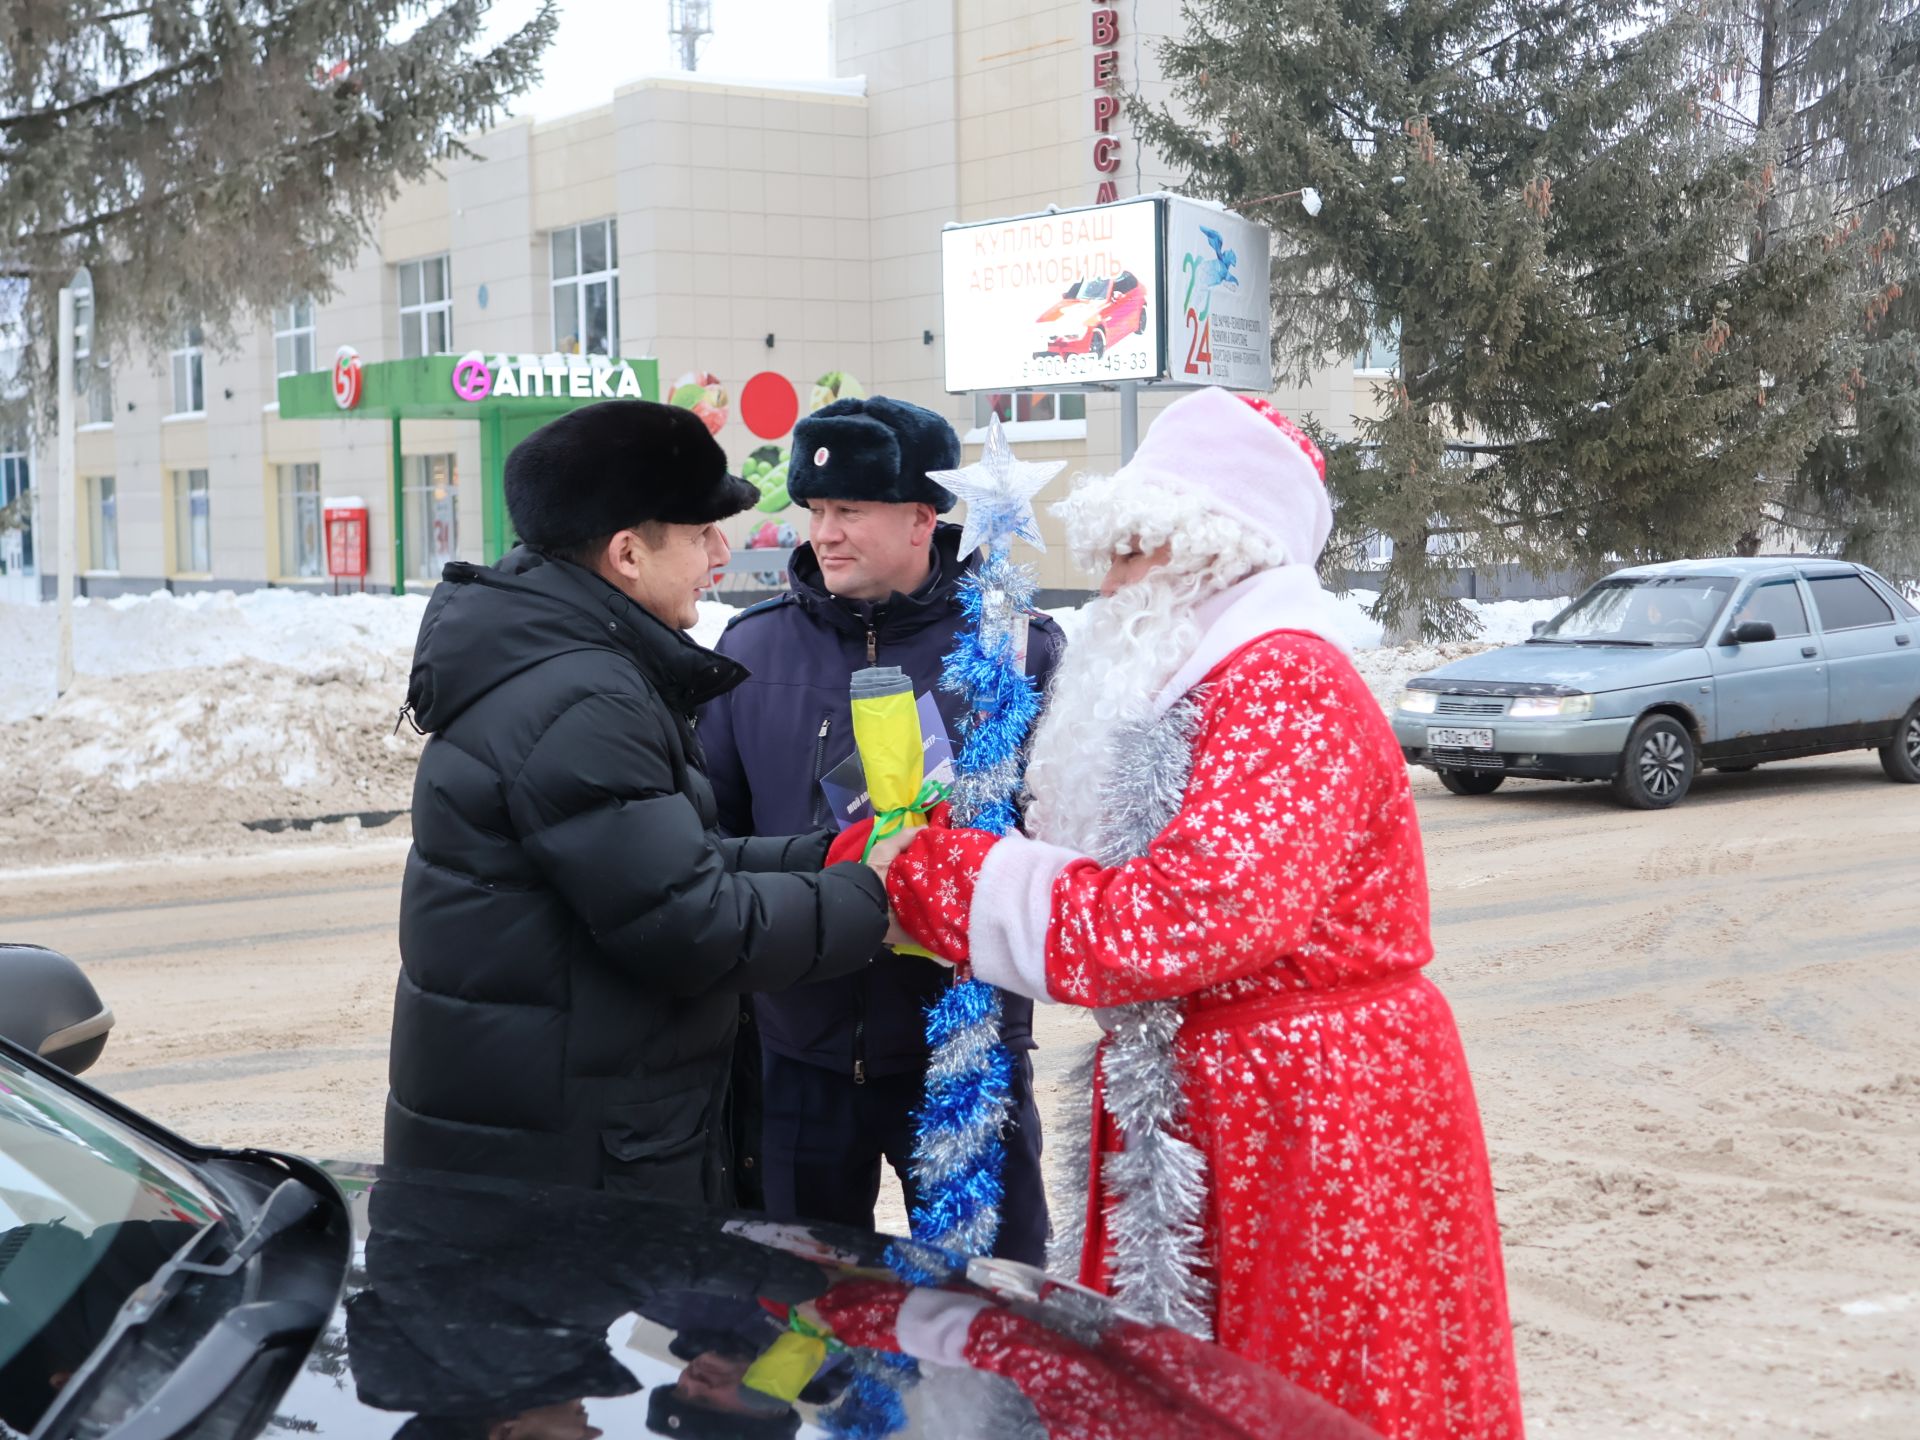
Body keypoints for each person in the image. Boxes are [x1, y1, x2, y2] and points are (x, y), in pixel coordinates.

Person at [873, 387, 1526, 1438]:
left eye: (1139, 550)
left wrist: (955, 880)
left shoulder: (1285, 684)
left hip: (1313, 1114)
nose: (1112, 581)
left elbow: (1180, 917)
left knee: (1311, 1383)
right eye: (1113, 546)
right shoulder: (1202, 683)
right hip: (1220, 1097)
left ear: (1216, 554)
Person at [386, 399, 891, 1202]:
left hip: (550, 1124)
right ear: (626, 552)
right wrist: (881, 899)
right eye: (700, 535)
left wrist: (835, 857)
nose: (721, 554)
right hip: (566, 1165)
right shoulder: (582, 697)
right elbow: (691, 924)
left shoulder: (571, 663)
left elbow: (669, 858)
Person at [697, 396, 1064, 1264]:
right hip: (798, 1054)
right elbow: (713, 843)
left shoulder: (1014, 650)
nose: (824, 532)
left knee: (991, 1303)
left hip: (962, 1048)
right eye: (816, 511)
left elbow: (1064, 837)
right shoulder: (751, 656)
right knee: (799, 1320)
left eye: (849, 511)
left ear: (920, 519)